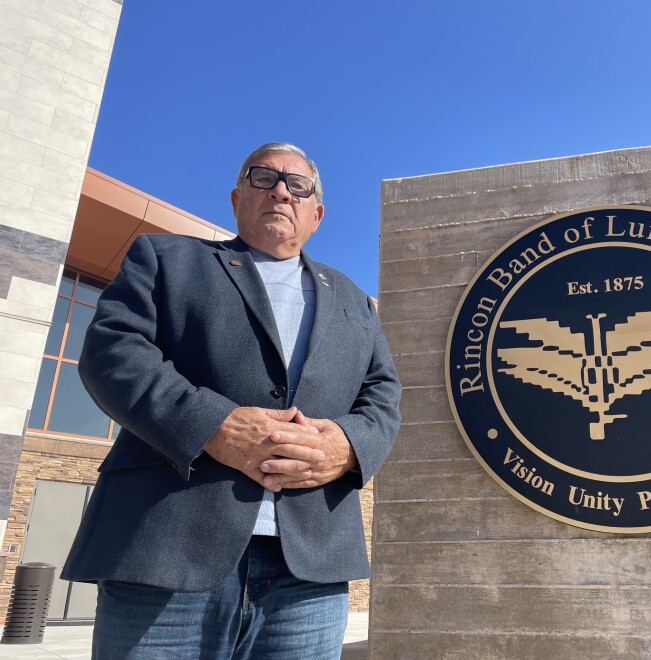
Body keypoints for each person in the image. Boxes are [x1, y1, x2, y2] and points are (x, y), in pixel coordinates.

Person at [61, 142, 402, 659]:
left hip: (308, 572)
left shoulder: (354, 299)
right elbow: (113, 354)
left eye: (297, 184)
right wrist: (212, 426)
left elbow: (383, 394)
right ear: (238, 196)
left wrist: (349, 447)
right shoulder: (165, 259)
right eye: (263, 177)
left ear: (317, 213)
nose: (281, 190)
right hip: (166, 552)